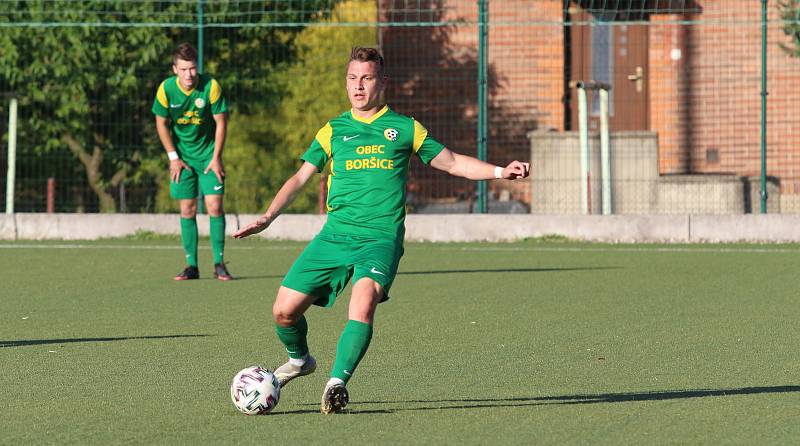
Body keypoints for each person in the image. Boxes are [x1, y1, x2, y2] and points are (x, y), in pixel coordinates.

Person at [233, 47, 530, 413]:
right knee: (284, 312)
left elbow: (453, 164)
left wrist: (501, 171)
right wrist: (268, 217)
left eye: (367, 78)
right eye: (353, 78)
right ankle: (298, 362)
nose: (358, 86)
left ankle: (336, 383)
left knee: (364, 299)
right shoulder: (332, 130)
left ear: (382, 82)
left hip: (380, 239)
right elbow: (300, 178)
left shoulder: (405, 129)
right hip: (334, 236)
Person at [152, 42, 233, 281]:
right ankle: (191, 266)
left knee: (214, 206)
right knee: (187, 209)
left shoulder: (211, 86)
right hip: (182, 160)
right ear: (175, 69)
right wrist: (173, 158)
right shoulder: (166, 89)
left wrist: (216, 157)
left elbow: (221, 122)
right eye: (184, 69)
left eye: (193, 69)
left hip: (209, 157)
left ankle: (219, 263)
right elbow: (161, 123)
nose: (189, 75)